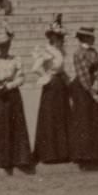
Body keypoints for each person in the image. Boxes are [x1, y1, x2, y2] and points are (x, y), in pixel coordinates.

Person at [0, 26, 32, 173]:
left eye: (6, 45)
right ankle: (0, 159)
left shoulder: (16, 59)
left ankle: (18, 158)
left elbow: (21, 77)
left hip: (12, 95)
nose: (4, 48)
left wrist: (10, 85)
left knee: (15, 125)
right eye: (1, 46)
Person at [70, 26, 98, 169]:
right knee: (85, 119)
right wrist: (92, 92)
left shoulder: (93, 51)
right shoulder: (79, 53)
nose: (93, 38)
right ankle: (85, 157)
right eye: (91, 36)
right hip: (82, 90)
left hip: (93, 85)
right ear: (85, 38)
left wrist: (97, 82)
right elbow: (83, 76)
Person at [32, 15, 71, 165]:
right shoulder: (47, 50)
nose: (61, 39)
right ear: (52, 37)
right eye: (58, 36)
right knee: (50, 116)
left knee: (61, 116)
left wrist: (68, 81)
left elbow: (62, 69)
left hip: (60, 85)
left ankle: (63, 152)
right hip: (51, 85)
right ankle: (50, 153)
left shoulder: (59, 51)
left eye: (61, 37)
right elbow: (35, 67)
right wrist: (46, 77)